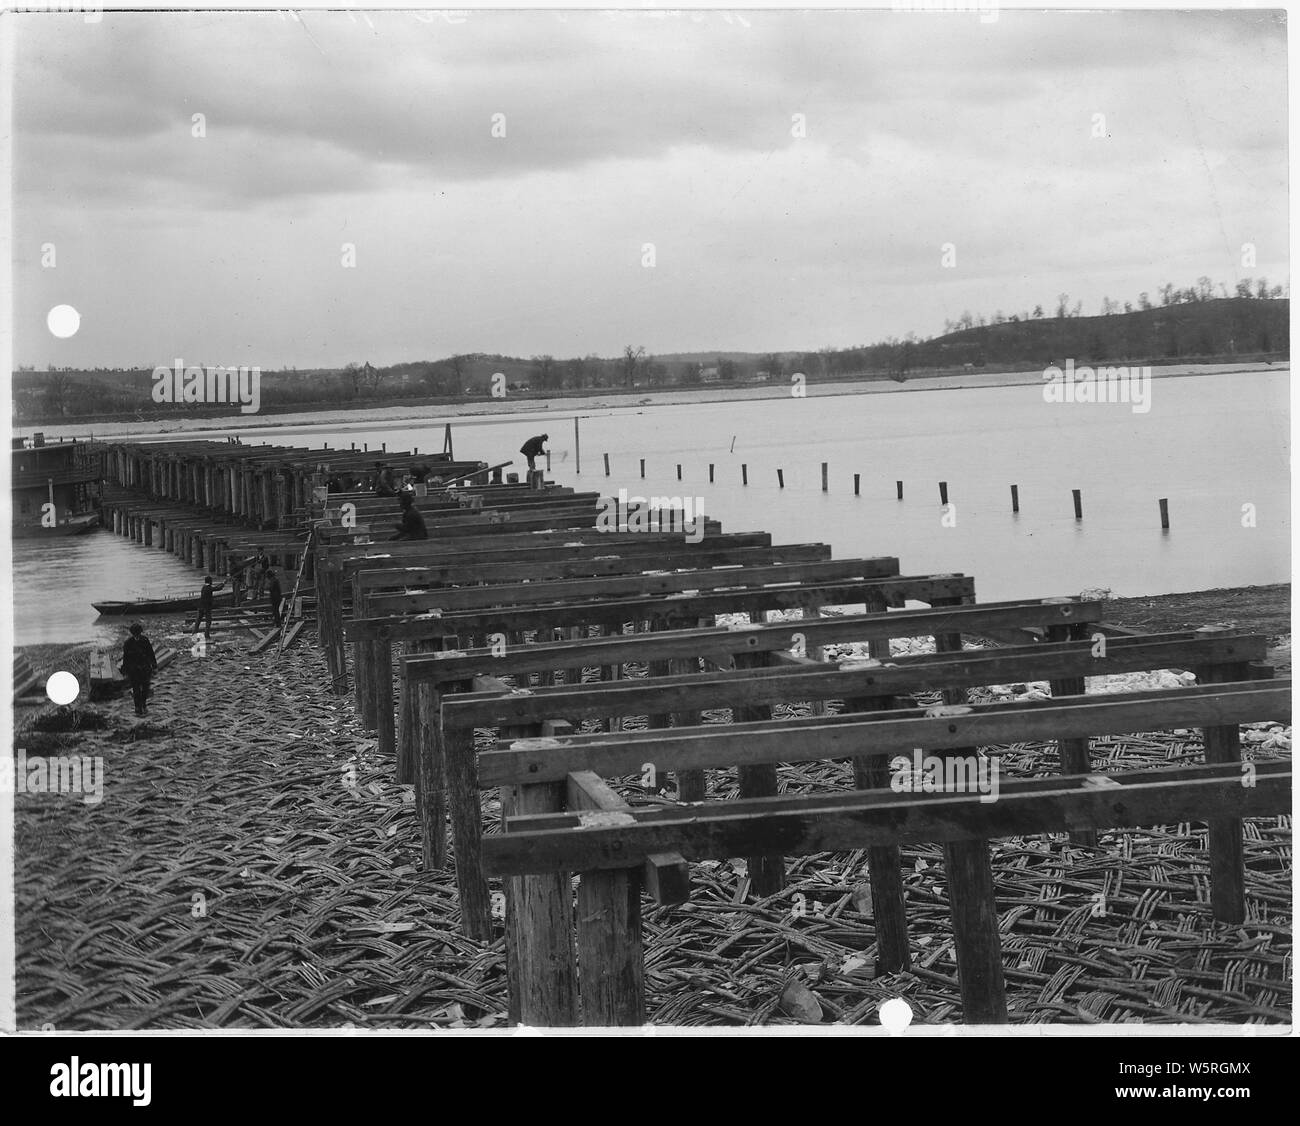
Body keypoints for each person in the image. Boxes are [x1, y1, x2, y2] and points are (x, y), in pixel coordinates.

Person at [121, 623, 158, 717]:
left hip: (145, 668)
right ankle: (137, 707)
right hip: (134, 670)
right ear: (132, 633)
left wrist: (154, 666)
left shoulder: (145, 640)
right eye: (135, 633)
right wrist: (125, 670)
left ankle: (144, 705)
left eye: (138, 633)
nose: (137, 635)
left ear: (140, 632)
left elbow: (151, 653)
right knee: (136, 689)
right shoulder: (128, 643)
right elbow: (126, 658)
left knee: (145, 688)